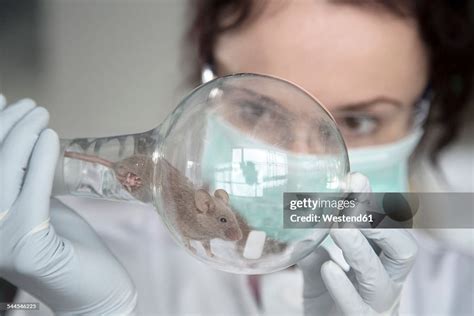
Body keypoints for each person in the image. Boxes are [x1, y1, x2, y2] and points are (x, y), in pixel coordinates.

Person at [1, 0, 473, 315]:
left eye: (360, 121)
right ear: (206, 84)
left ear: (423, 114)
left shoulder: (459, 291)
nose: (305, 160)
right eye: (258, 108)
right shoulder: (68, 250)